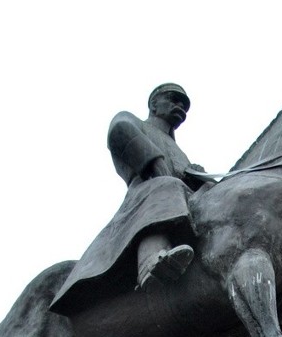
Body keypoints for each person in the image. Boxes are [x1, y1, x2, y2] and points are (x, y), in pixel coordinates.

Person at [50, 82, 204, 313]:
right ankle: (150, 262)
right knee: (165, 187)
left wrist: (198, 178)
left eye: (183, 104)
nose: (179, 105)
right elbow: (121, 130)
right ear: (154, 104)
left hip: (178, 195)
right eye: (173, 99)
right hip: (147, 192)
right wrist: (154, 161)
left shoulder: (179, 150)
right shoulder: (131, 119)